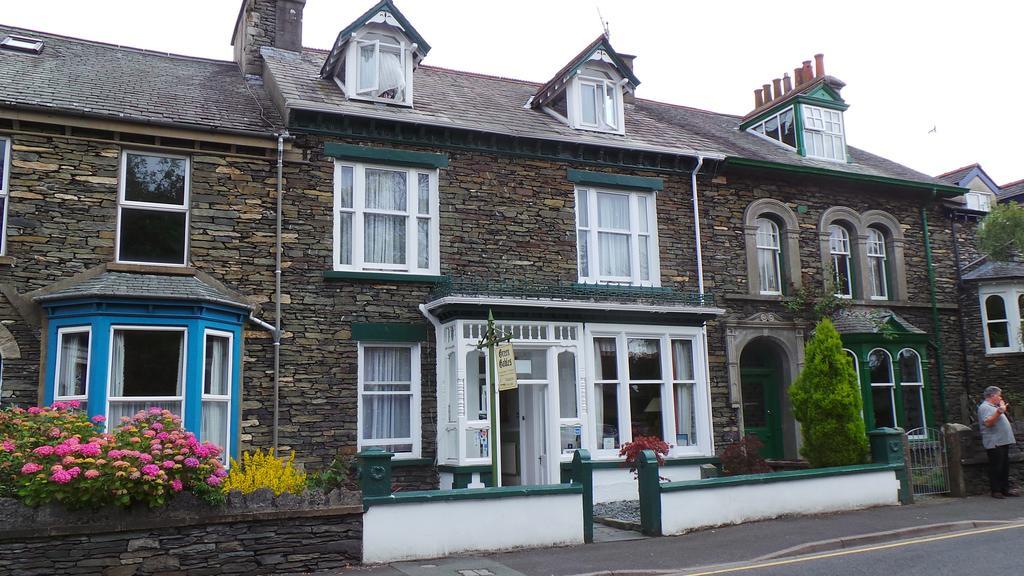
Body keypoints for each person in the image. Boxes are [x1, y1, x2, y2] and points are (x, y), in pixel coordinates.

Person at [978, 386, 1018, 499]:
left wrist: (1001, 409)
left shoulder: (993, 407)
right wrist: (1000, 411)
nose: (1000, 397)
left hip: (1002, 441)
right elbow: (987, 423)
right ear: (992, 396)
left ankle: (1005, 489)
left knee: (1004, 467)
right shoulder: (985, 407)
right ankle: (996, 491)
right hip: (994, 442)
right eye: (999, 395)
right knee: (997, 467)